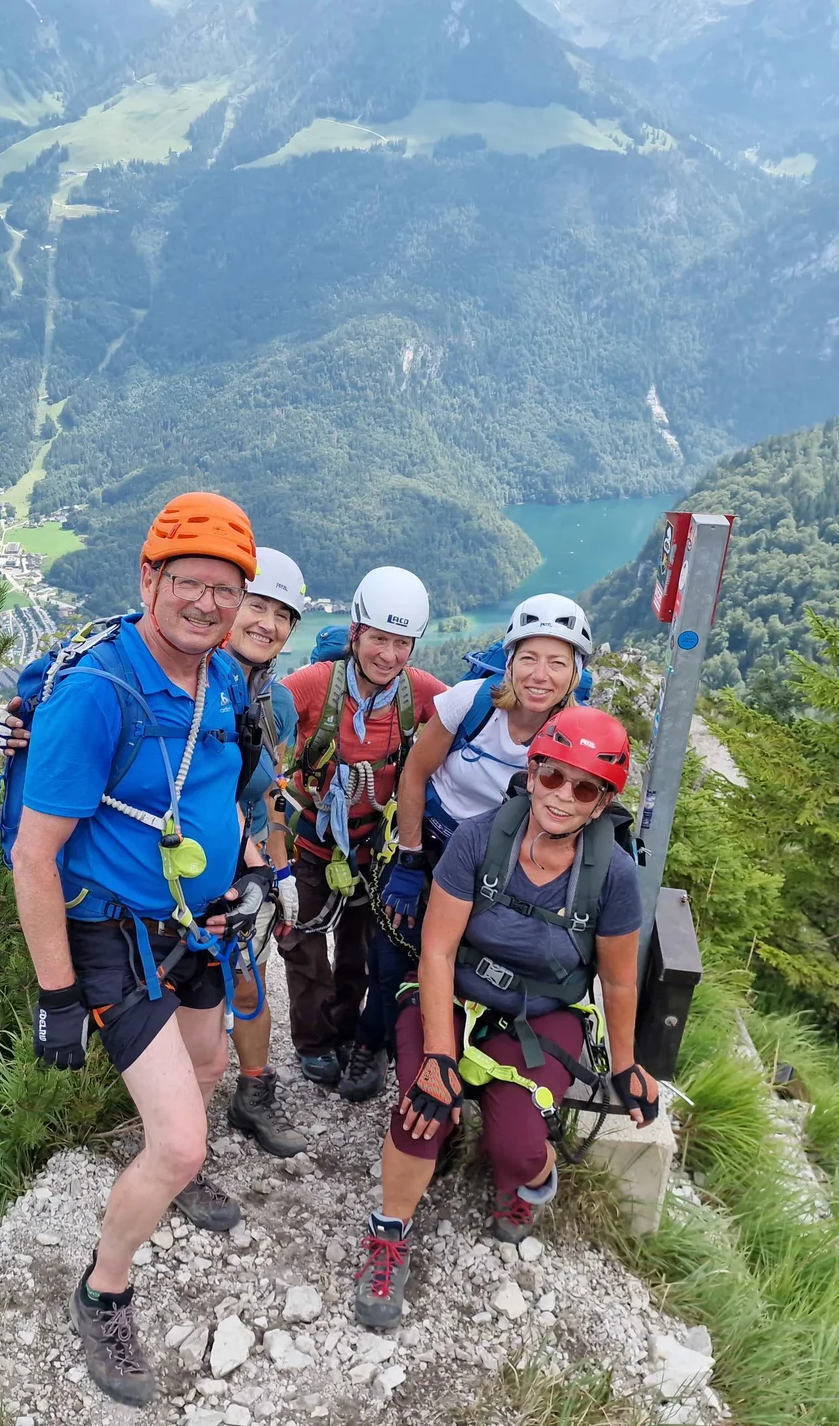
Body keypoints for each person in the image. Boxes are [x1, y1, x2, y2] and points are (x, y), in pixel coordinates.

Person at [12, 491, 276, 1406]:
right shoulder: (98, 694)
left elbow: (228, 791)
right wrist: (55, 996)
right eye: (190, 584)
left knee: (204, 1068)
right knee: (179, 1140)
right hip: (113, 930)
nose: (208, 605)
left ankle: (177, 1163)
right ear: (148, 579)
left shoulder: (222, 679)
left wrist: (249, 868)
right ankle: (104, 1288)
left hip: (199, 923)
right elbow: (33, 853)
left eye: (226, 590)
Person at [351, 706, 662, 1328]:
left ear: (601, 804)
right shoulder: (478, 838)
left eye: (584, 789)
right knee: (421, 1113)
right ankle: (388, 1238)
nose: (563, 797)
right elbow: (437, 950)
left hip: (542, 1009)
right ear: (533, 770)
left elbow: (619, 978)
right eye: (553, 777)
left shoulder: (614, 879)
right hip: (454, 990)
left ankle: (531, 1185)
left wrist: (626, 1067)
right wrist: (440, 1058)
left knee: (519, 1150)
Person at [279, 566, 445, 1103]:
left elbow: (480, 710)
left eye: (402, 643)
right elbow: (249, 711)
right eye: (379, 639)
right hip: (309, 838)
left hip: (374, 847)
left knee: (359, 947)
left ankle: (347, 1033)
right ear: (355, 633)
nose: (389, 655)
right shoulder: (313, 686)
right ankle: (312, 1040)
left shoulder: (418, 694)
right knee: (303, 945)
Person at [381, 594, 594, 932]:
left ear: (575, 675)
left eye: (557, 663)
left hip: (496, 868)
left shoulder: (576, 739)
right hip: (429, 843)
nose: (540, 675)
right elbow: (415, 773)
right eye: (528, 659)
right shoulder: (471, 702)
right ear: (509, 665)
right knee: (390, 959)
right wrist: (409, 858)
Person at [222, 545, 312, 1158]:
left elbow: (272, 793)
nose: (269, 624)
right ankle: (171, 1125)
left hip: (248, 864)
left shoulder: (276, 704)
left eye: (283, 615)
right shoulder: (185, 684)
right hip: (178, 865)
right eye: (258, 606)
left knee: (248, 983)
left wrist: (281, 869)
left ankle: (252, 1093)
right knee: (182, 994)